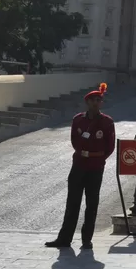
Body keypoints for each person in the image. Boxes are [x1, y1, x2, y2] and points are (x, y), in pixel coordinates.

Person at [45, 83, 116, 250]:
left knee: (92, 204)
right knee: (72, 203)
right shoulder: (78, 119)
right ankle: (64, 239)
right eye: (93, 100)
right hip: (78, 165)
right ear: (87, 102)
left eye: (99, 100)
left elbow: (110, 146)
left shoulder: (107, 122)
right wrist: (83, 153)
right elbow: (74, 140)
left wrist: (98, 159)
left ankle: (86, 240)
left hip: (95, 167)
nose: (96, 103)